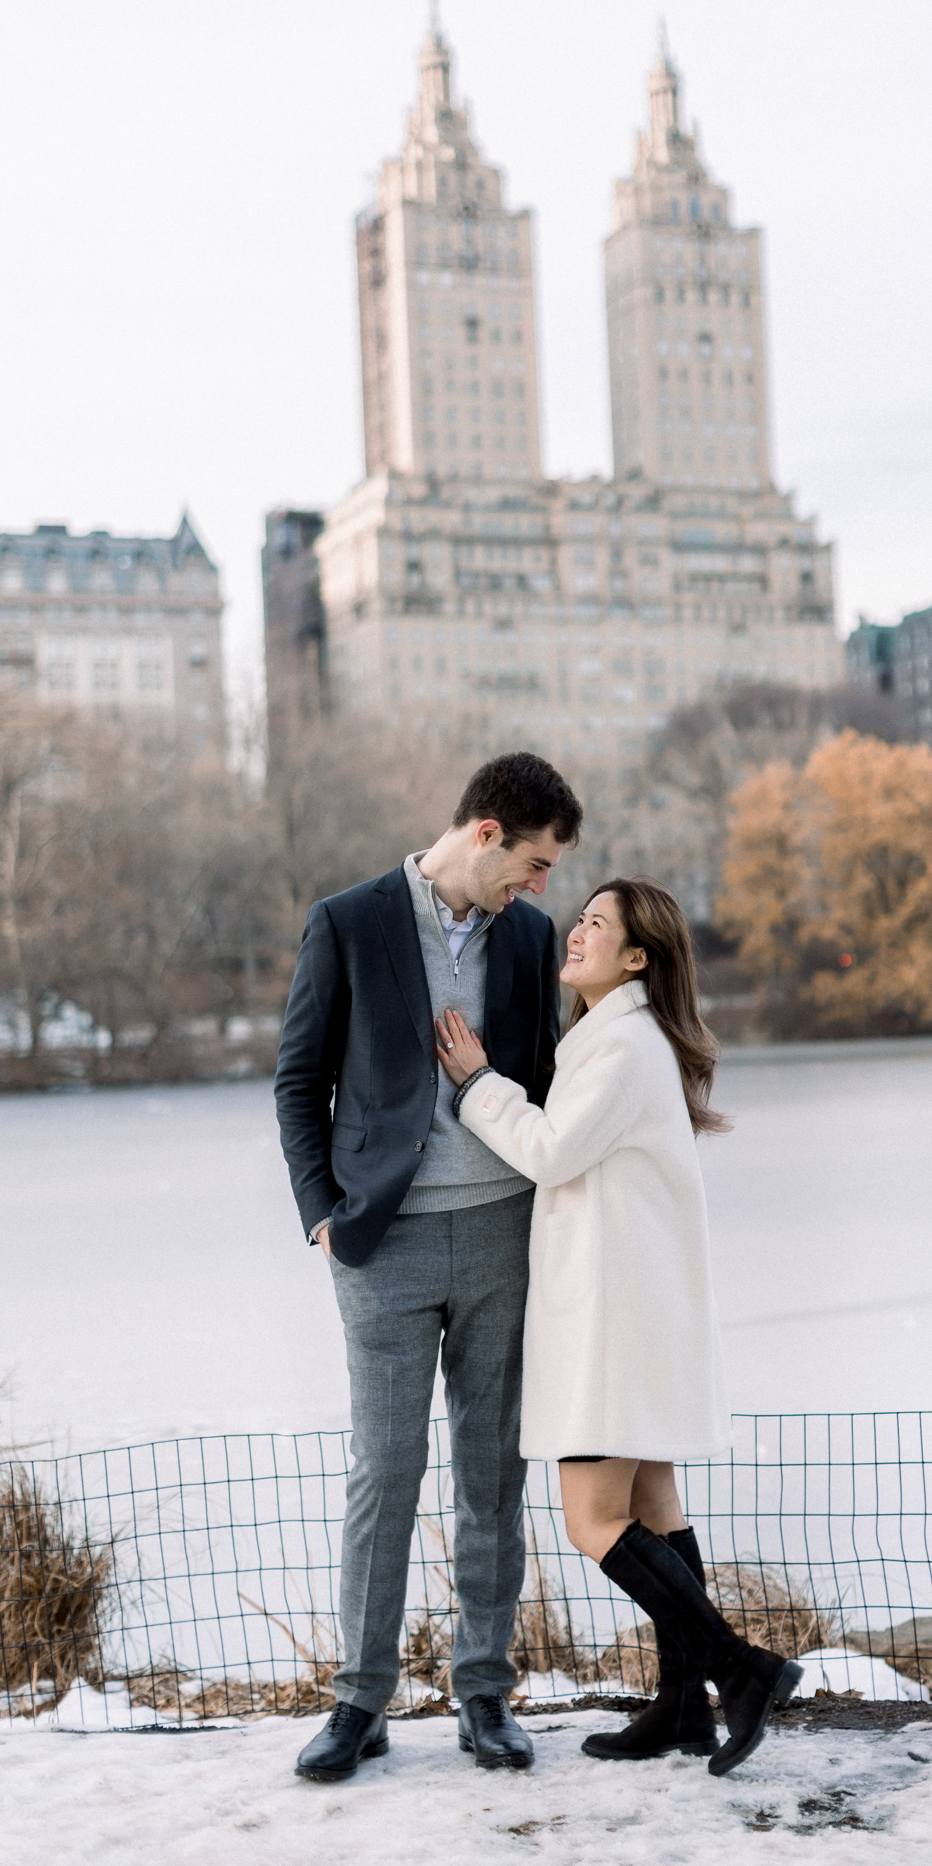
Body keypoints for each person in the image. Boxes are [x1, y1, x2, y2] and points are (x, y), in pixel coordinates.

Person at [437, 876, 802, 1778]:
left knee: (592, 1521)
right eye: (583, 917)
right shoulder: (618, 1040)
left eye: (599, 924)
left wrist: (478, 1083)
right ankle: (683, 1707)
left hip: (611, 1319)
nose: (579, 931)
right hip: (637, 1310)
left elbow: (551, 1151)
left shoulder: (623, 1049)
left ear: (636, 957)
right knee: (651, 1511)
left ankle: (740, 1671)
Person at [275, 752, 583, 1784]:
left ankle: (483, 1690)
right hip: (383, 1243)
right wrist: (320, 1207)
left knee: (493, 1471)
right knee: (384, 1470)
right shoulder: (349, 920)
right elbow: (297, 1077)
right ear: (487, 832)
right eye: (533, 863)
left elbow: (541, 1079)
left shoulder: (530, 940)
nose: (539, 888)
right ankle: (359, 1700)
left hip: (503, 1233)